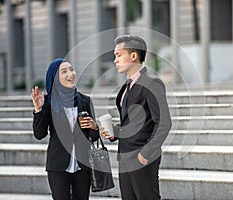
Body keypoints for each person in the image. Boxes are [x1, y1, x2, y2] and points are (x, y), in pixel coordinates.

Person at [100, 35, 172, 200]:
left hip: (141, 157)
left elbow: (164, 123)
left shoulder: (152, 83)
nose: (115, 60)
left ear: (133, 56)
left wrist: (146, 153)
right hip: (124, 157)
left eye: (119, 55)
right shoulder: (127, 86)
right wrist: (114, 132)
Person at [31, 58, 99, 200]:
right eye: (64, 71)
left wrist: (94, 127)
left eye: (72, 69)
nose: (71, 74)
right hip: (58, 165)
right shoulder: (48, 102)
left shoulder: (85, 101)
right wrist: (38, 109)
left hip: (82, 165)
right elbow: (39, 134)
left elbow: (93, 137)